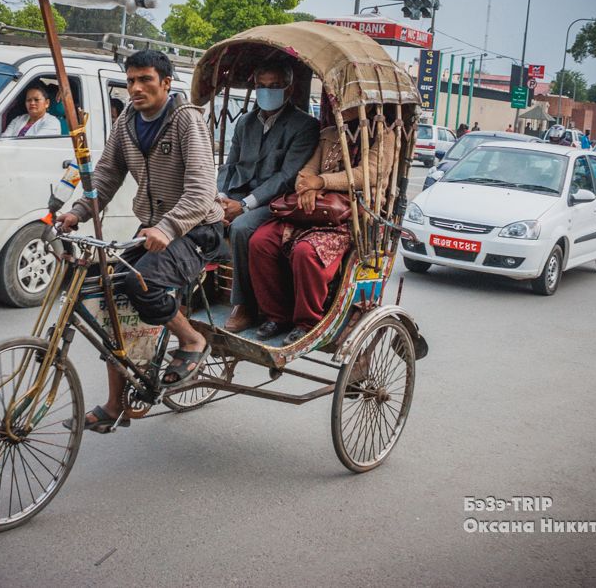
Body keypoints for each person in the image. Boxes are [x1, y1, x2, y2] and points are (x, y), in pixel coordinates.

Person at [58, 50, 224, 432]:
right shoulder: (127, 122)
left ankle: (191, 339)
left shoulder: (187, 120)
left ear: (166, 83)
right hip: (152, 229)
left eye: (145, 79)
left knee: (139, 282)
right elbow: (105, 176)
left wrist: (167, 228)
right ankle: (116, 404)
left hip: (196, 229)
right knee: (112, 302)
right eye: (131, 80)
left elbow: (201, 192)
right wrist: (78, 212)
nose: (136, 88)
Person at [216, 61, 320, 333]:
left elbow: (286, 176)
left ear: (288, 89)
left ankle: (245, 305)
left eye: (274, 86)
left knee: (241, 227)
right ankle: (193, 291)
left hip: (274, 202)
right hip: (238, 193)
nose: (266, 92)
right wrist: (220, 198)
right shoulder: (246, 122)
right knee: (196, 215)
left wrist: (244, 205)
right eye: (261, 86)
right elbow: (231, 165)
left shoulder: (304, 126)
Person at [249, 118, 367, 345]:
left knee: (306, 252)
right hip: (309, 210)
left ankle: (307, 323)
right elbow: (306, 171)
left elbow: (365, 174)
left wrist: (321, 183)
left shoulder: (382, 135)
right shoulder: (329, 133)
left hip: (347, 216)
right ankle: (276, 316)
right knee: (261, 242)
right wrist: (306, 187)